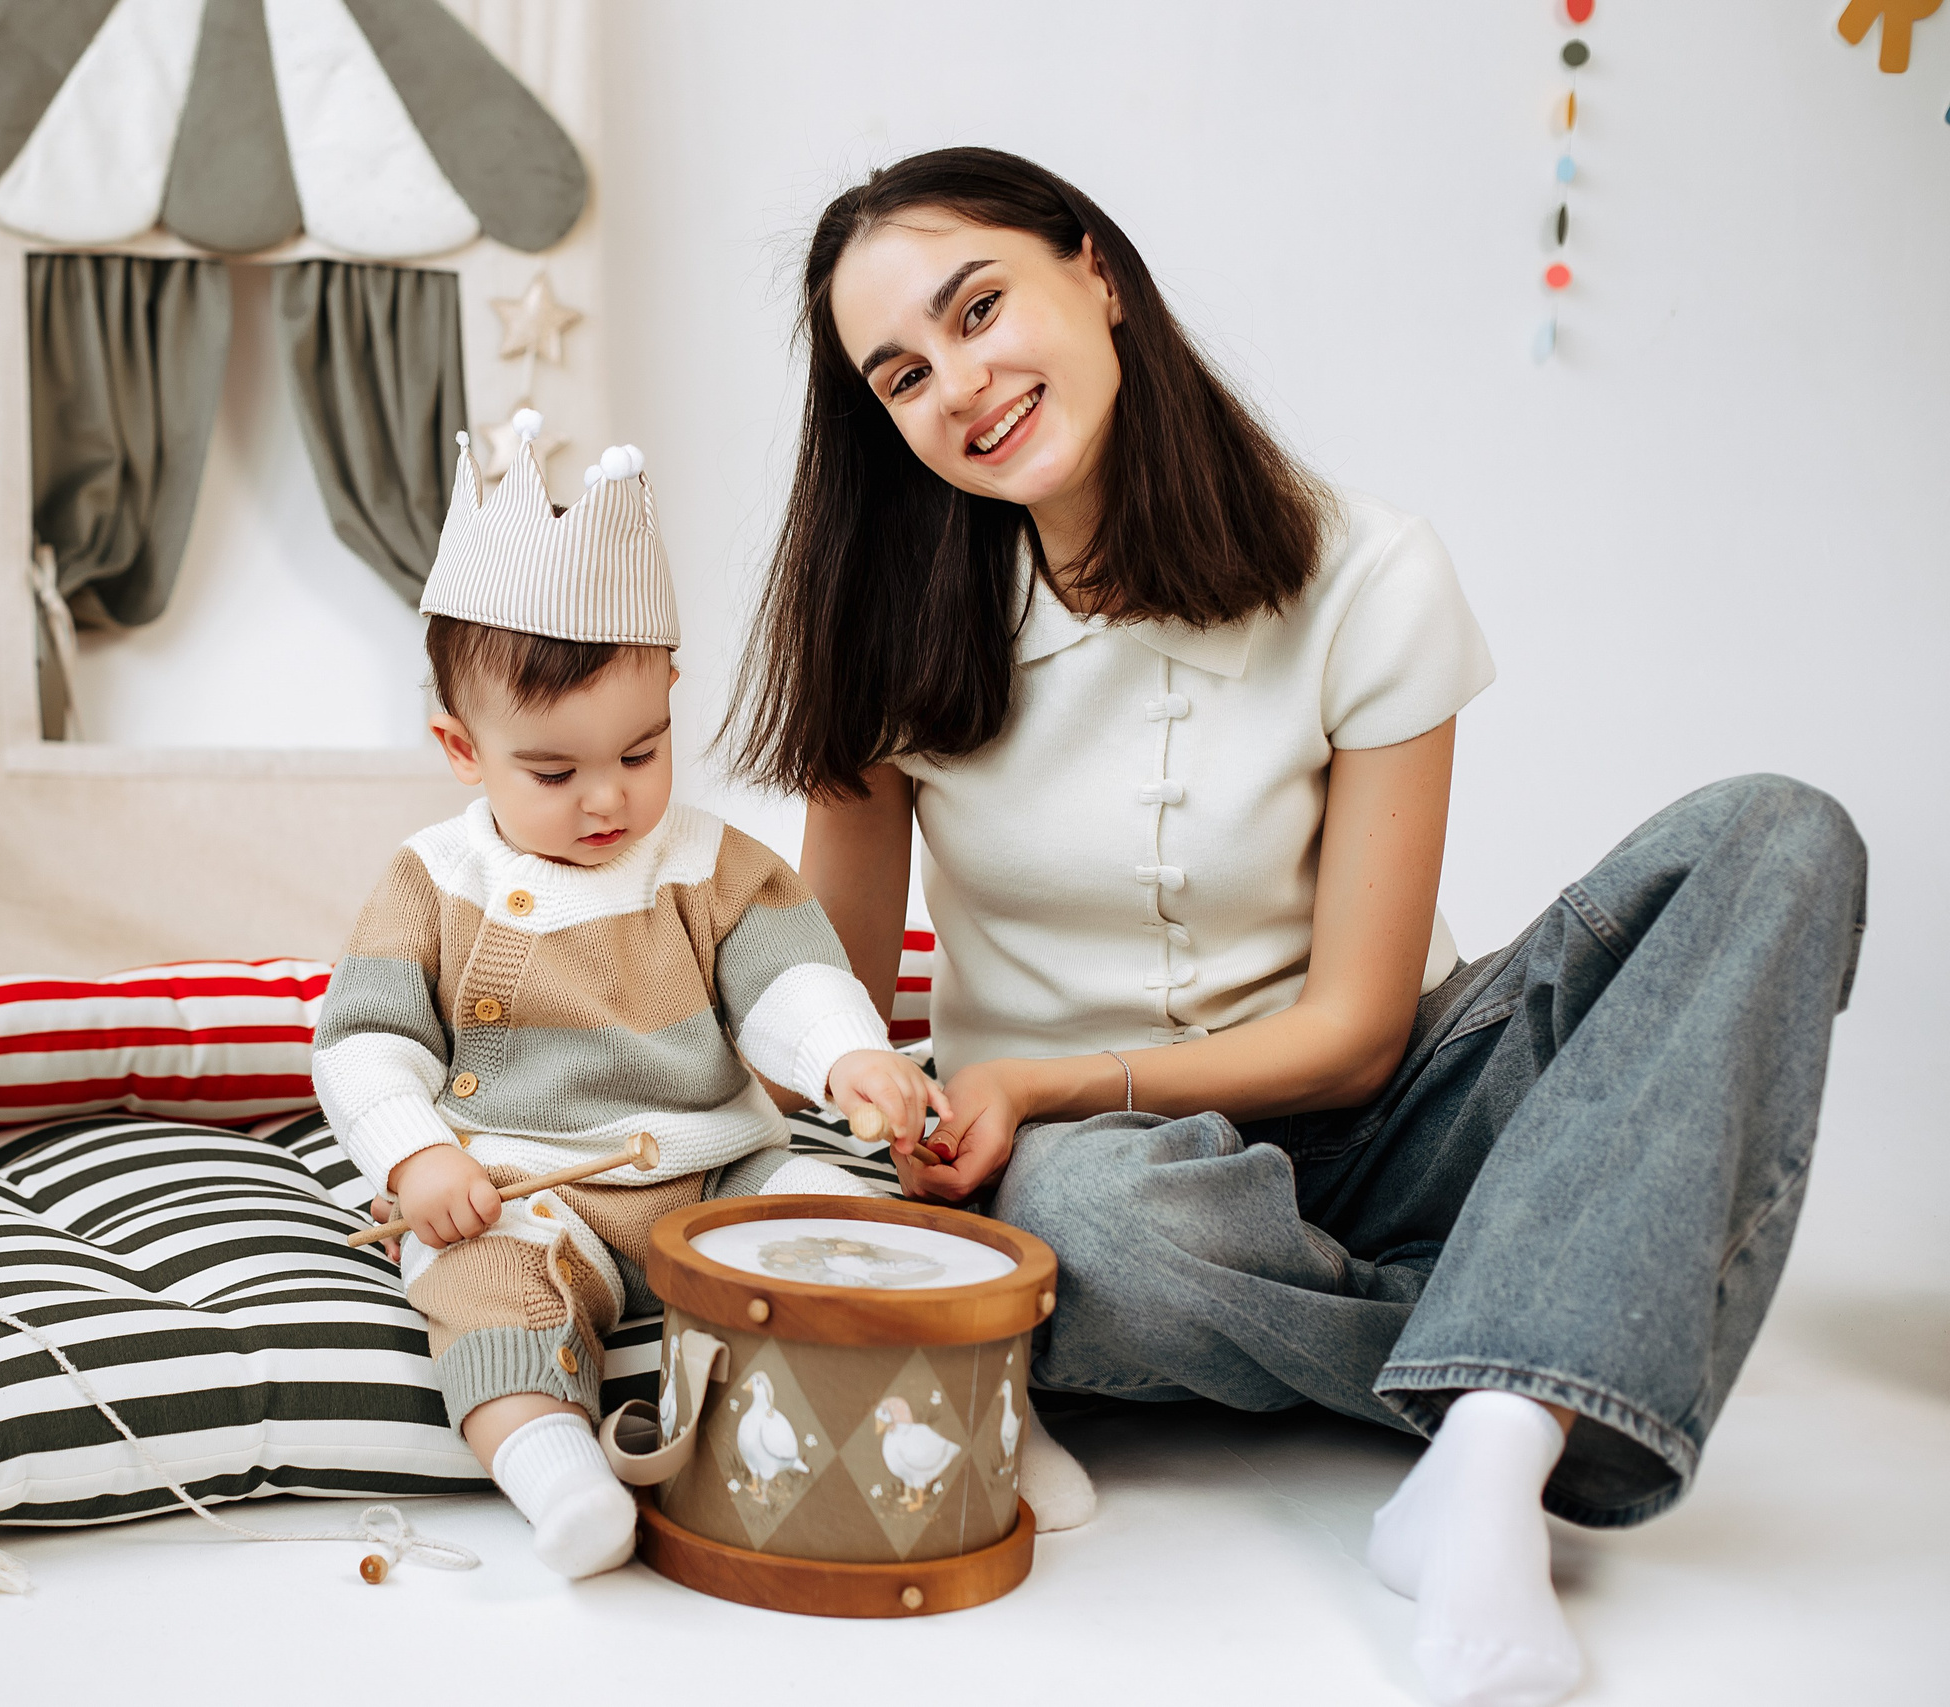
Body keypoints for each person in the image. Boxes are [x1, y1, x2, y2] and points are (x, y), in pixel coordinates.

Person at [727, 148, 1864, 1706]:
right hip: (1105, 1187)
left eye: (980, 307)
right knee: (1095, 1223)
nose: (961, 385)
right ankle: (1537, 1364)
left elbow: (1358, 1036)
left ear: (1095, 271)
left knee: (1777, 831)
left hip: (1398, 1116)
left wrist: (1041, 1073)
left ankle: (1484, 1445)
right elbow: (835, 1007)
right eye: (903, 374)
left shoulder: (1366, 571)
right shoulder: (885, 632)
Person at [311, 415, 947, 1579]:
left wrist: (846, 1055)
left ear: (668, 702)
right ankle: (556, 1473)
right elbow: (363, 1042)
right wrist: (417, 1158)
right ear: (461, 749)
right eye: (554, 772)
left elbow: (788, 974)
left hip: (717, 1171)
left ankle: (974, 1432)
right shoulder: (434, 881)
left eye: (641, 754)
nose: (606, 800)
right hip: (523, 1188)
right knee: (480, 1292)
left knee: (854, 1233)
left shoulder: (708, 864)